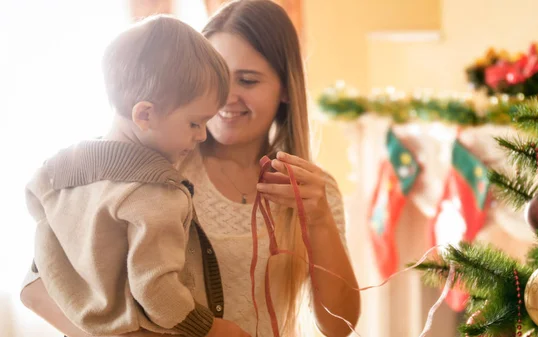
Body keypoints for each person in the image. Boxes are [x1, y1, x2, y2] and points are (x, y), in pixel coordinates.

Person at [21, 1, 361, 336]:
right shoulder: (145, 169)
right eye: (217, 78)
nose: (225, 97)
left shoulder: (313, 192)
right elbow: (36, 289)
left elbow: (338, 326)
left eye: (248, 80)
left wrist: (318, 221)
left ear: (286, 88)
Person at [21, 15, 250, 337]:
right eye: (195, 123)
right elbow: (156, 291)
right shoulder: (155, 193)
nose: (201, 136)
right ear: (144, 114)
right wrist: (209, 329)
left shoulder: (56, 172)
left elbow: (37, 214)